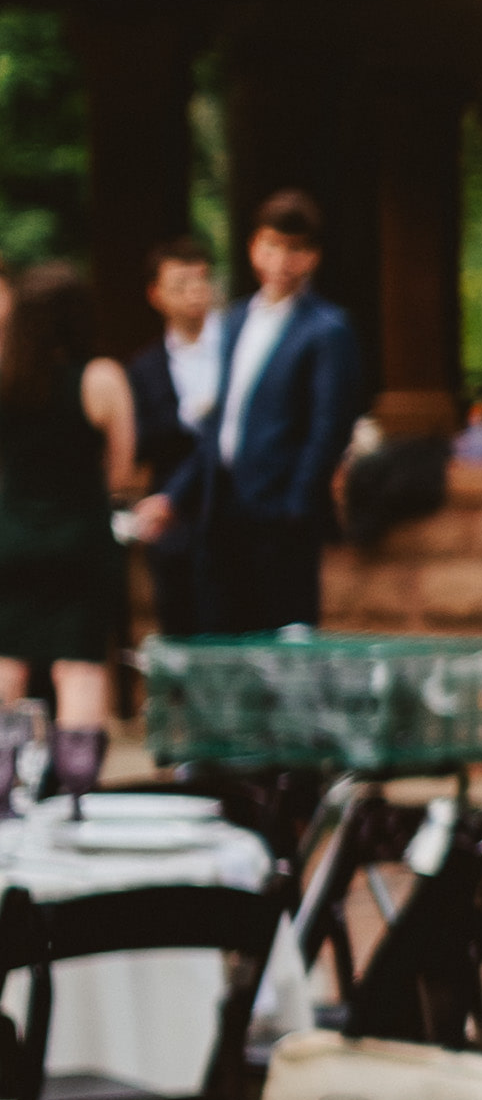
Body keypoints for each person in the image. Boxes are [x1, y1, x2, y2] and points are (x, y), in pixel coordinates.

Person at [148, 192, 365, 635]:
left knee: (282, 639)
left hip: (280, 509)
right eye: (270, 246)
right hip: (221, 504)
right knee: (223, 631)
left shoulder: (327, 327)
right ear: (253, 248)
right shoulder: (235, 318)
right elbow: (222, 421)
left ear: (312, 257)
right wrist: (176, 495)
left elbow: (329, 426)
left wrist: (296, 504)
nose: (280, 260)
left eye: (294, 249)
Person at [0, 262, 140, 727]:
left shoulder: (4, 375)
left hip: (12, 539)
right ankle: (76, 791)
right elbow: (121, 472)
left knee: (7, 662)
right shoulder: (100, 378)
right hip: (80, 541)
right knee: (78, 668)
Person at [125, 242, 221, 636]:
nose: (195, 292)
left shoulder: (236, 349)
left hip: (229, 510)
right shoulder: (143, 368)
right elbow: (141, 446)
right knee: (178, 624)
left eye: (201, 281)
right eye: (180, 284)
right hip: (173, 522)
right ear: (156, 295)